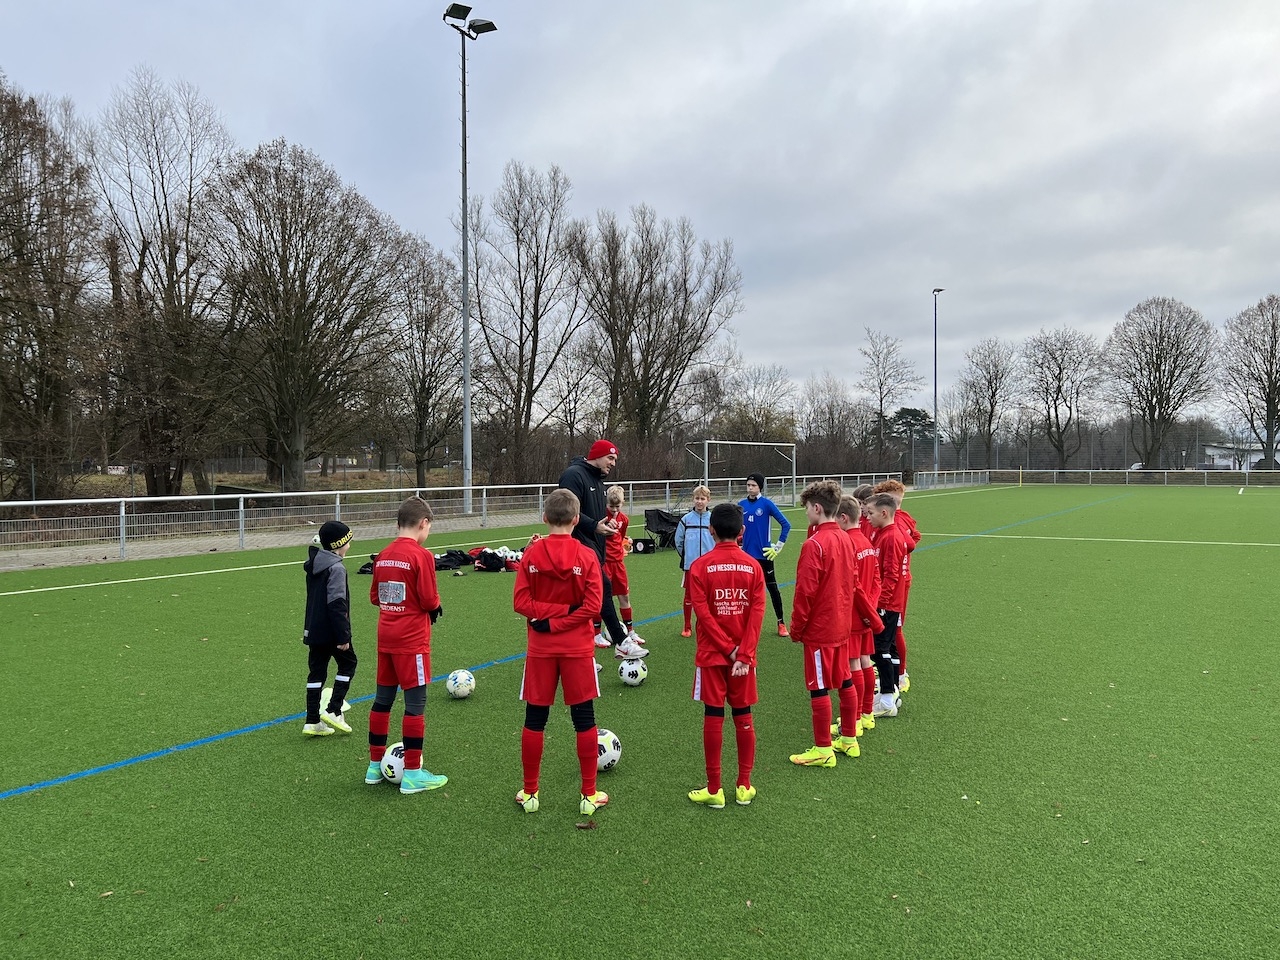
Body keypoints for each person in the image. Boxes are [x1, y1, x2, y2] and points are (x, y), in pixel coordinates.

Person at [512, 489, 610, 817]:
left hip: (541, 649)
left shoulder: (531, 554)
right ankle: (588, 795)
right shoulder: (587, 555)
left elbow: (521, 603)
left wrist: (549, 620)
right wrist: (565, 613)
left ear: (544, 518)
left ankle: (530, 793)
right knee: (584, 719)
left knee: (535, 719)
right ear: (577, 519)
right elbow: (592, 607)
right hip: (577, 649)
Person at [787, 480, 881, 768]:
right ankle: (849, 738)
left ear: (817, 508)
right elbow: (855, 584)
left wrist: (797, 629)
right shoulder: (846, 538)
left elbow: (805, 592)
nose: (806, 513)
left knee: (818, 687)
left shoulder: (814, 544)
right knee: (844, 679)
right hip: (843, 625)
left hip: (820, 628)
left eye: (806, 508)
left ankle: (823, 749)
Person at [366, 497, 448, 795]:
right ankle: (413, 773)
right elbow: (428, 598)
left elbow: (375, 597)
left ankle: (374, 767)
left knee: (382, 700)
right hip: (411, 640)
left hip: (386, 636)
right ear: (424, 523)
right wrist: (435, 606)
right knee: (415, 704)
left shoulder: (383, 555)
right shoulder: (421, 555)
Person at [686, 502, 765, 808]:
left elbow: (703, 615)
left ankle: (714, 788)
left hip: (712, 655)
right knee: (743, 715)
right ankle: (744, 785)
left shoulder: (699, 567)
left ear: (711, 530)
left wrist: (728, 649)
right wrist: (743, 654)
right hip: (743, 660)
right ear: (742, 531)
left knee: (713, 714)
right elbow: (756, 614)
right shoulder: (753, 566)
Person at [557, 439, 648, 660]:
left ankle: (577, 656)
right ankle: (621, 640)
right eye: (611, 458)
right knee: (602, 588)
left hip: (595, 549)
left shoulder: (598, 481)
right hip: (577, 548)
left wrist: (607, 524)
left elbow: (596, 516)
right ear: (597, 455)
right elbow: (566, 511)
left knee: (578, 602)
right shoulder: (573, 475)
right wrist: (594, 526)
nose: (613, 463)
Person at [301, 520, 357, 736]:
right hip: (332, 631)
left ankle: (312, 721)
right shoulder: (336, 568)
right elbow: (336, 603)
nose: (350, 546)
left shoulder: (315, 565)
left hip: (314, 630)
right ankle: (334, 709)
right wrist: (343, 636)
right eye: (348, 541)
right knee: (348, 663)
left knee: (316, 672)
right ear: (338, 544)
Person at [834, 497, 881, 743]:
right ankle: (867, 714)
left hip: (853, 614)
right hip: (865, 612)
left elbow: (853, 586)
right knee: (864, 660)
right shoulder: (865, 541)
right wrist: (870, 608)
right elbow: (876, 580)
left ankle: (855, 721)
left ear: (843, 518)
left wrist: (862, 610)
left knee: (853, 665)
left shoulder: (848, 543)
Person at [873, 479, 922, 693]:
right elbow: (915, 538)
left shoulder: (897, 523)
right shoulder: (901, 519)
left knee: (894, 630)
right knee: (891, 631)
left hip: (895, 584)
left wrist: (901, 555)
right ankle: (892, 674)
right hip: (896, 579)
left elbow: (909, 542)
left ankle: (901, 675)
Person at [866, 492, 908, 718]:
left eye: (871, 513)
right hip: (889, 602)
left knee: (880, 649)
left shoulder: (891, 537)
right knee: (888, 647)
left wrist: (880, 604)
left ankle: (887, 700)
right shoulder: (885, 534)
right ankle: (889, 692)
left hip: (888, 603)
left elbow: (891, 575)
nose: (868, 517)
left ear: (884, 513)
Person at [738, 472, 793, 636]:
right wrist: (738, 544)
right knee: (745, 591)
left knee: (773, 588)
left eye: (753, 485)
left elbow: (786, 525)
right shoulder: (741, 505)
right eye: (748, 485)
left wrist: (777, 547)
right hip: (746, 556)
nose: (750, 488)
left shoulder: (767, 504)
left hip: (764, 555)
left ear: (760, 487)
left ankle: (781, 623)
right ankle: (744, 624)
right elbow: (736, 528)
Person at [599, 484, 642, 644]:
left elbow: (621, 537)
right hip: (604, 563)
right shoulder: (601, 518)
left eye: (617, 506)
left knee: (624, 596)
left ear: (622, 504)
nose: (614, 510)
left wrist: (625, 543)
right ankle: (596, 634)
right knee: (601, 598)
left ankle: (630, 631)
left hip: (618, 563)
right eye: (611, 506)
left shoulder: (624, 519)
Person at [675, 486, 715, 637]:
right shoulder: (686, 519)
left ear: (708, 500)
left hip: (709, 566)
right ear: (693, 499)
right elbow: (678, 541)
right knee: (689, 596)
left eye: (702, 499)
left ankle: (705, 624)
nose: (699, 501)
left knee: (709, 596)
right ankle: (687, 626)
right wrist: (687, 557)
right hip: (691, 566)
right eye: (697, 498)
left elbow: (718, 540)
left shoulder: (713, 519)